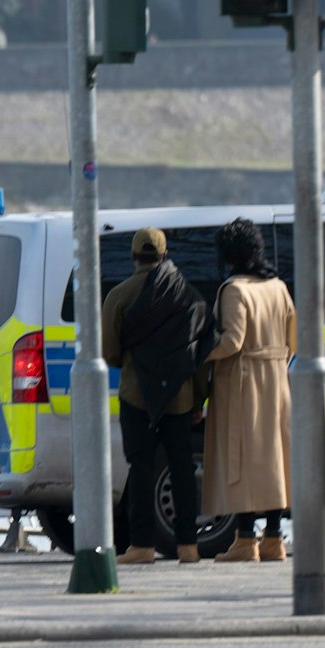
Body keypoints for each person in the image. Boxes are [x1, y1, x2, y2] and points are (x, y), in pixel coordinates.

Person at [103, 228, 215, 565]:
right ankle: (188, 546)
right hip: (179, 398)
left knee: (140, 467)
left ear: (134, 256)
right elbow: (198, 356)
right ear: (164, 255)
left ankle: (142, 546)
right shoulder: (190, 296)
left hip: (136, 395)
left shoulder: (119, 296)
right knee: (181, 468)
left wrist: (135, 362)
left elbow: (109, 352)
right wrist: (197, 402)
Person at [204, 218, 295, 564]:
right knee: (273, 460)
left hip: (241, 381)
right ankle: (274, 539)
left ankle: (245, 540)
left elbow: (232, 341)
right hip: (276, 376)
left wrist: (200, 355)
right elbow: (294, 335)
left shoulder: (234, 289)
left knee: (240, 460)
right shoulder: (278, 286)